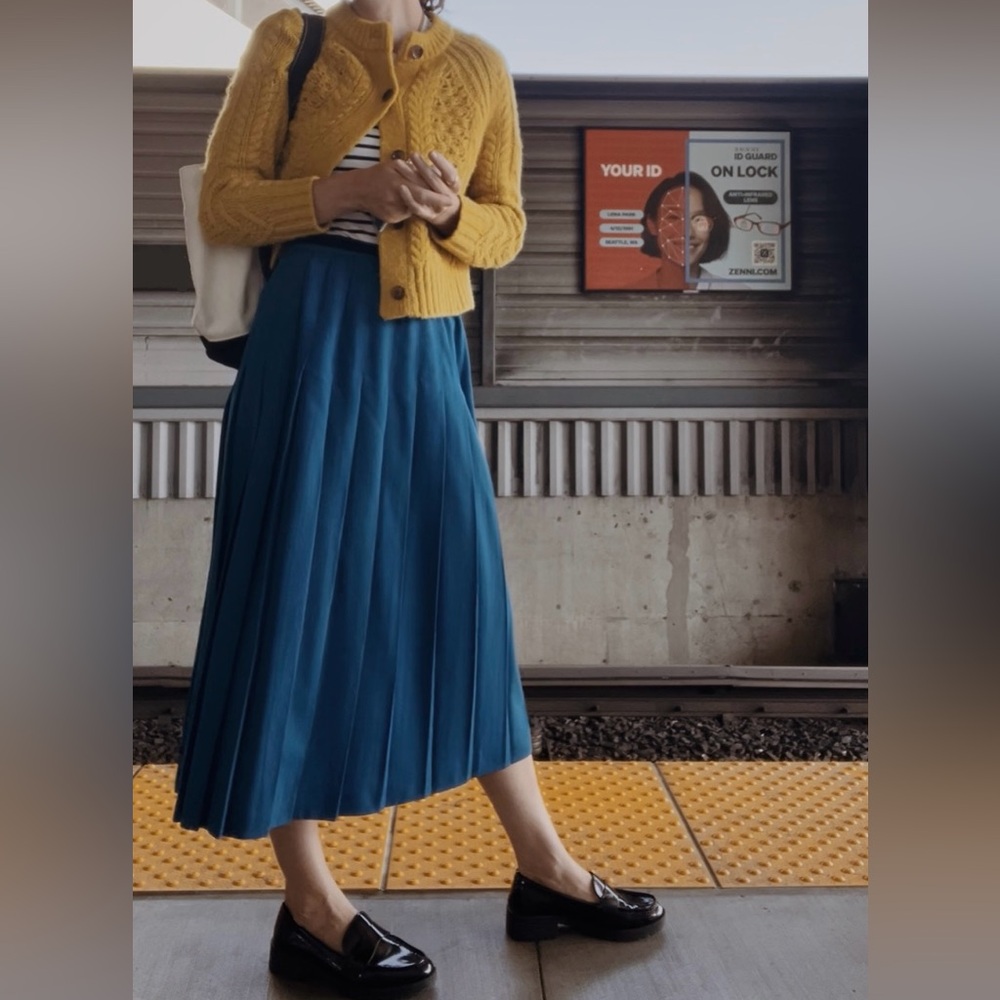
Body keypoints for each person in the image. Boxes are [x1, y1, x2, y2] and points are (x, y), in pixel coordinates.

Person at [172, 2, 664, 996]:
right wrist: (349, 190)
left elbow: (505, 227)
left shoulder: (478, 65)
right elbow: (224, 205)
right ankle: (311, 905)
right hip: (308, 351)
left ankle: (544, 867)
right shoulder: (291, 41)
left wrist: (447, 214)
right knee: (294, 599)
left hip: (425, 356)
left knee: (461, 597)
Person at [631, 170, 731, 290]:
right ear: (652, 225)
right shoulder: (630, 293)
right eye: (673, 218)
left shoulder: (738, 292)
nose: (687, 233)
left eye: (698, 219)